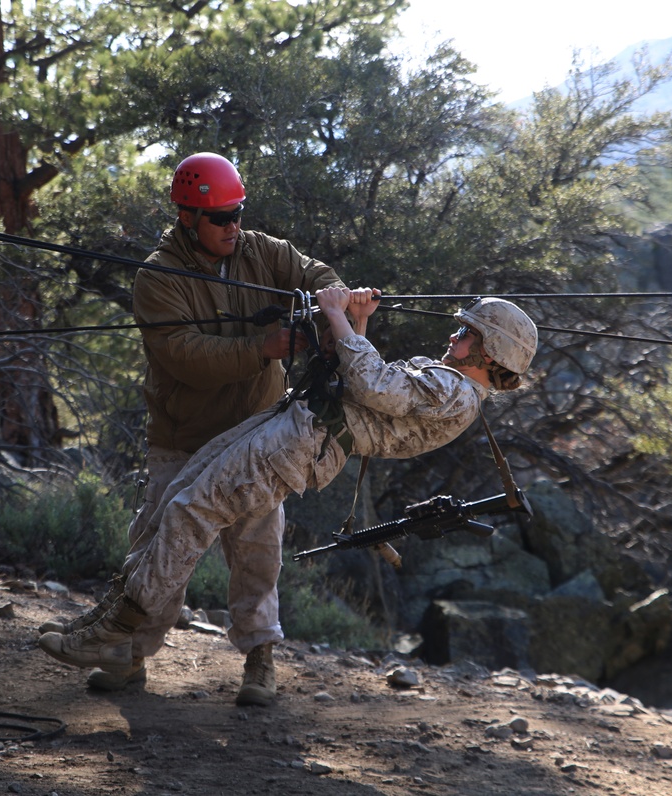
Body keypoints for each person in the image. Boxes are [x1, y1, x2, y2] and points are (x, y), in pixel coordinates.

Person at [38, 287, 538, 707]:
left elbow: (374, 383)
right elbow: (369, 389)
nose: (455, 335)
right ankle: (109, 621)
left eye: (467, 332)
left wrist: (340, 316)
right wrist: (358, 324)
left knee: (191, 513)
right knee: (177, 498)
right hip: (294, 427)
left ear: (489, 353)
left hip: (300, 443)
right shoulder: (451, 383)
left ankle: (112, 632)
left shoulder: (457, 393)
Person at [38, 152, 345, 699]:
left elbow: (316, 273)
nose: (234, 226)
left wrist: (334, 303)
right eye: (220, 218)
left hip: (257, 435)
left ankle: (260, 662)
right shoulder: (157, 277)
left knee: (258, 549)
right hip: (183, 437)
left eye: (238, 213)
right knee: (160, 549)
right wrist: (263, 347)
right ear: (187, 217)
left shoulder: (261, 251)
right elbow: (184, 356)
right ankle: (128, 656)